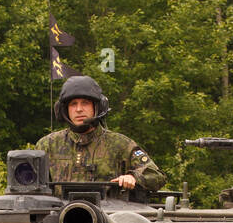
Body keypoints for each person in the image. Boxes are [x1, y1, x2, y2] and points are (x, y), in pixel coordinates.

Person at [37, 76, 165, 191]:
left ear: (98, 107)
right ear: (64, 110)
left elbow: (156, 175)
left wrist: (133, 177)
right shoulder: (48, 145)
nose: (79, 109)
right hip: (60, 214)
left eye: (85, 103)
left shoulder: (120, 144)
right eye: (73, 104)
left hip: (107, 214)